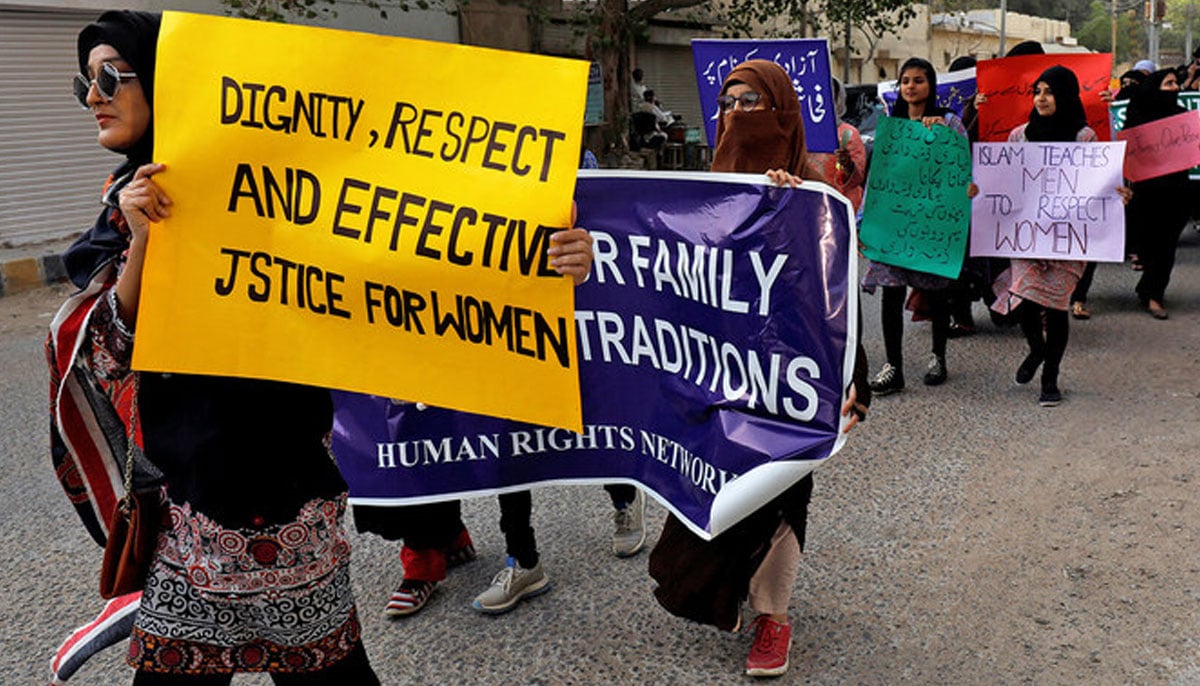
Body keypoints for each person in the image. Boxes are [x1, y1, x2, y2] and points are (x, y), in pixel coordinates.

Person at [49, 11, 380, 683]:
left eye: (111, 76)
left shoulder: (286, 187)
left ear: (168, 81)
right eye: (84, 82)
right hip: (185, 523)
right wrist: (145, 238)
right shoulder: (124, 203)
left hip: (292, 515)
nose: (94, 97)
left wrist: (543, 262)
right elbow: (111, 354)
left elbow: (411, 274)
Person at [647, 59, 870, 679]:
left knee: (779, 498)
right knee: (710, 500)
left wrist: (851, 379)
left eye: (754, 102)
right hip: (714, 379)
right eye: (729, 102)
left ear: (783, 114)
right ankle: (726, 590)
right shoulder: (699, 198)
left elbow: (838, 302)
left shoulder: (816, 201)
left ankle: (775, 616)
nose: (738, 114)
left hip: (787, 385)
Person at [987, 65, 1132, 406]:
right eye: (1037, 91)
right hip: (1028, 237)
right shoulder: (1019, 136)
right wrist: (980, 191)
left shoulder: (1084, 137)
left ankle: (1050, 379)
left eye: (1049, 91)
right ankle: (1036, 350)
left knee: (1056, 308)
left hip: (1066, 240)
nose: (1041, 98)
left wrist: (1117, 194)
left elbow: (1096, 184)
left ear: (1064, 96)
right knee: (1023, 301)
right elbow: (1006, 179)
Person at [863, 57, 968, 396]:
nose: (911, 86)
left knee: (936, 293)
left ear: (930, 85)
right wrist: (865, 222)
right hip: (894, 226)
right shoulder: (891, 126)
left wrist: (937, 135)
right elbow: (878, 179)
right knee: (890, 294)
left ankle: (938, 357)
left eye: (918, 80)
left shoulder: (949, 124)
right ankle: (893, 367)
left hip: (931, 226)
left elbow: (961, 169)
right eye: (905, 80)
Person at [1124, 69, 1192, 320]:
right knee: (1148, 243)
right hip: (1146, 193)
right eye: (1169, 83)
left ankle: (1155, 294)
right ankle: (1147, 286)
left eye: (1176, 83)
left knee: (1166, 246)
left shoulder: (1184, 117)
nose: (1175, 87)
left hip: (1177, 192)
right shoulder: (1138, 116)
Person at [804, 76, 866, 211]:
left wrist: (847, 164)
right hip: (807, 205)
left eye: (831, 95)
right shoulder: (801, 131)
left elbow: (857, 177)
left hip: (838, 206)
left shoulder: (848, 133)